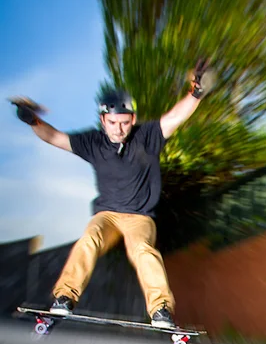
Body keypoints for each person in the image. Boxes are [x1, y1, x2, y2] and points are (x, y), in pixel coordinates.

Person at [9, 61, 215, 329]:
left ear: (134, 120)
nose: (119, 130)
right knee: (89, 239)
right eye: (113, 123)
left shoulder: (148, 136)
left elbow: (175, 116)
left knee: (143, 250)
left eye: (125, 123)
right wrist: (32, 120)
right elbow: (54, 137)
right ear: (103, 120)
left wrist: (195, 92)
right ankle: (64, 297)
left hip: (140, 217)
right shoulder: (92, 142)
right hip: (107, 215)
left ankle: (161, 309)